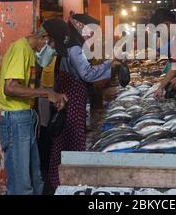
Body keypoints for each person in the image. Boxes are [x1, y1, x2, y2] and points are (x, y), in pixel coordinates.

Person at [47, 15, 122, 190]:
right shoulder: (74, 48)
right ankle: (68, 182)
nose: (93, 34)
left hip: (69, 100)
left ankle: (60, 180)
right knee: (71, 139)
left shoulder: (68, 46)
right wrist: (109, 64)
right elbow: (86, 74)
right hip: (71, 102)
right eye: (92, 30)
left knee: (64, 140)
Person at [0, 21, 68, 195]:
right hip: (15, 120)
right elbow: (10, 88)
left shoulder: (29, 52)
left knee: (35, 179)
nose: (52, 53)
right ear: (44, 38)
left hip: (25, 118)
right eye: (52, 47)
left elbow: (26, 89)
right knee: (22, 185)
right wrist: (46, 93)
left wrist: (50, 96)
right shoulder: (21, 50)